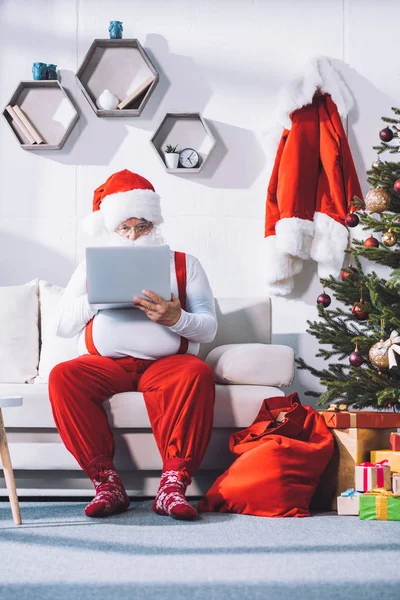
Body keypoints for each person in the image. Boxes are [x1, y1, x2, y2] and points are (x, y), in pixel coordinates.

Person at [48, 169, 217, 520]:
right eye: (124, 228)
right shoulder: (89, 266)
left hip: (167, 366)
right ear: (111, 230)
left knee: (196, 372)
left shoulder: (186, 264)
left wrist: (177, 318)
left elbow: (209, 328)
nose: (133, 236)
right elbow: (61, 325)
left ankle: (172, 485)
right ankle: (107, 484)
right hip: (106, 366)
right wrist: (98, 296)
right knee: (63, 376)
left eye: (142, 227)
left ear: (154, 225)